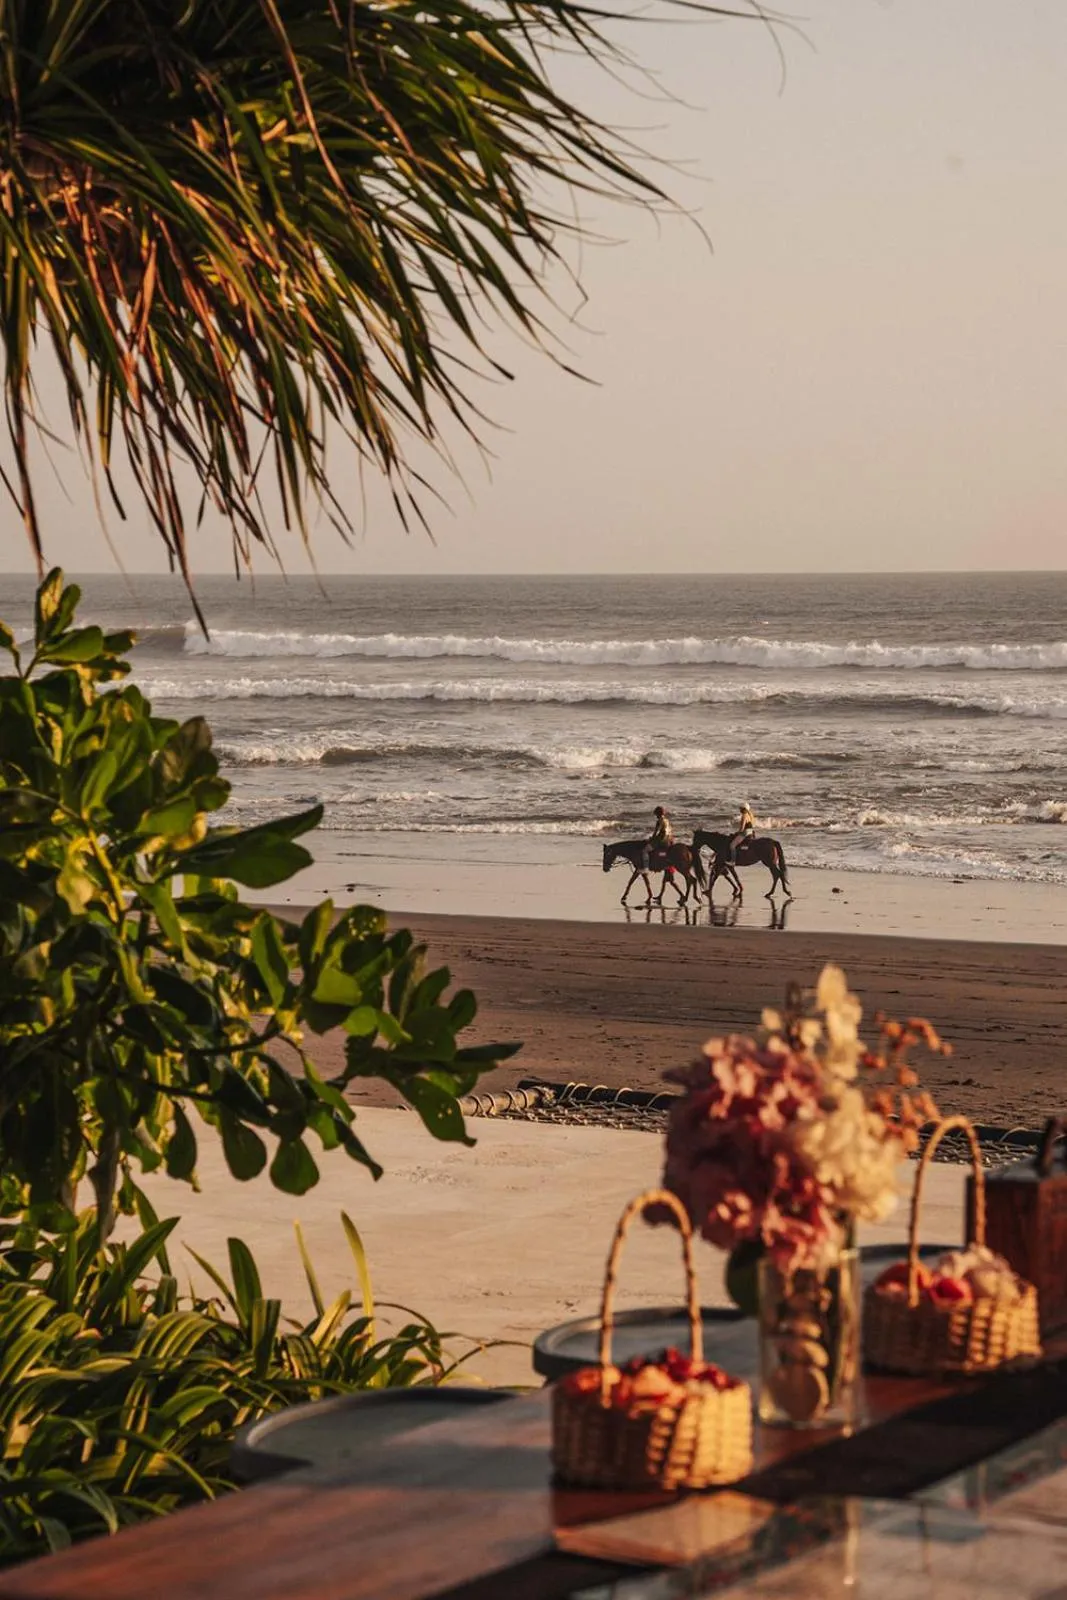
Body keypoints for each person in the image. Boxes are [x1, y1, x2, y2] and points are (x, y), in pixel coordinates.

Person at [642, 805, 674, 872]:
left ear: (658, 814)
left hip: (661, 840)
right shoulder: (666, 820)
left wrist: (651, 838)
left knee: (645, 851)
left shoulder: (659, 821)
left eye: (656, 814)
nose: (656, 816)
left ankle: (646, 868)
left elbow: (657, 832)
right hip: (668, 839)